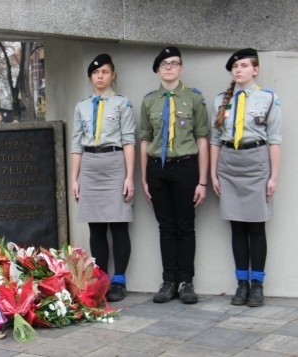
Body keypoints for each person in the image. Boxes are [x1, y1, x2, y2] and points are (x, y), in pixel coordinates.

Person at [210, 49, 281, 307]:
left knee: (256, 225)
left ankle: (258, 285)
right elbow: (216, 140)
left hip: (256, 162)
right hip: (230, 164)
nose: (238, 70)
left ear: (255, 70)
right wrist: (213, 173)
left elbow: (274, 139)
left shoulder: (268, 98)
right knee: (237, 226)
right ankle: (241, 284)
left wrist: (274, 176)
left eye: (243, 65)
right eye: (235, 67)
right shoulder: (221, 99)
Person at [139, 47, 210, 304]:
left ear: (181, 68)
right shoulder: (149, 101)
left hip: (186, 167)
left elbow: (202, 139)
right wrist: (144, 176)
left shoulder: (194, 98)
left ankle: (186, 281)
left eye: (174, 63)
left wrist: (203, 180)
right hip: (158, 168)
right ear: (157, 69)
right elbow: (145, 139)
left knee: (185, 226)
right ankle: (168, 280)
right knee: (166, 228)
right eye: (164, 64)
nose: (169, 67)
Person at [71, 54, 136, 302]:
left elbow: (129, 141)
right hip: (90, 165)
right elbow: (77, 145)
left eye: (105, 72)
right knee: (96, 226)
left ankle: (119, 280)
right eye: (96, 73)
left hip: (114, 163)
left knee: (119, 225)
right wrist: (75, 179)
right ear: (90, 77)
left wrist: (129, 176)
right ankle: (102, 279)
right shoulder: (82, 106)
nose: (100, 76)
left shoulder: (122, 104)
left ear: (113, 75)